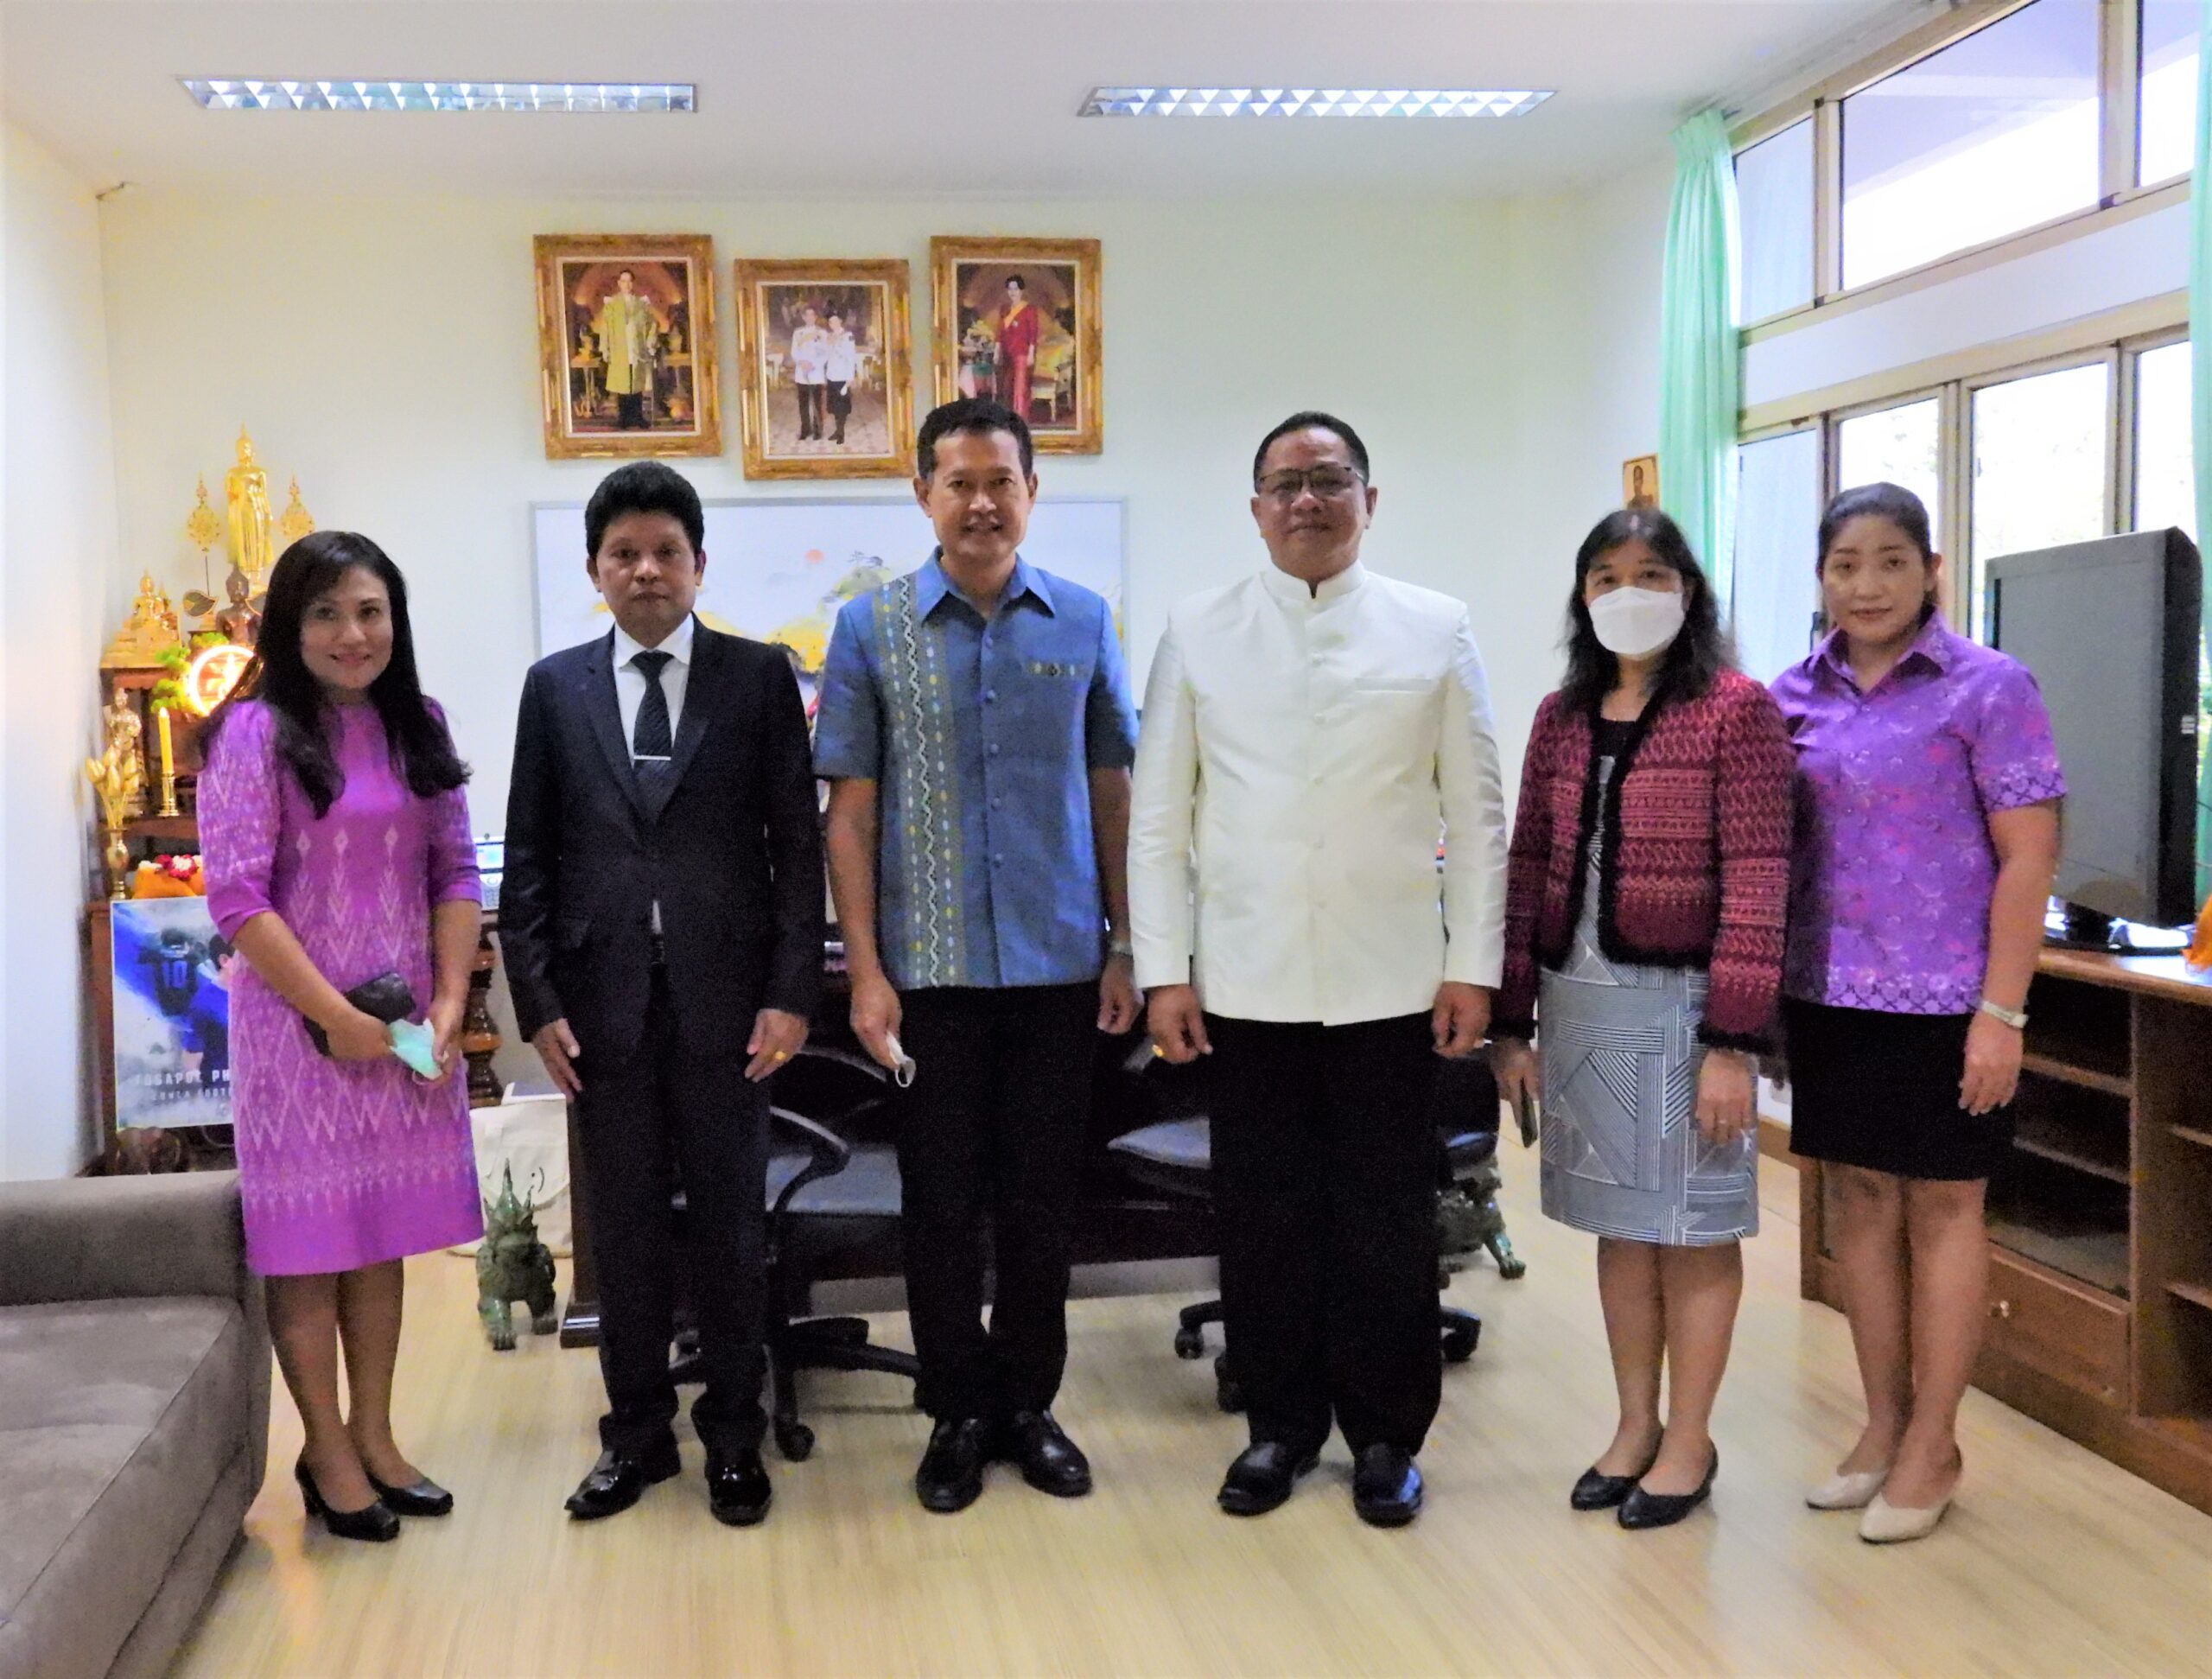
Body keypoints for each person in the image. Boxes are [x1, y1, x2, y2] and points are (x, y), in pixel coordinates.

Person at [1128, 410, 1507, 1528]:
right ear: (1255, 508)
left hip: (1395, 982)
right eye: (1286, 483)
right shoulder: (1197, 628)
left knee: (1386, 1216)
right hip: (1247, 984)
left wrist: (1473, 965)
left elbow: (1477, 816)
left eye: (1331, 479)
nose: (1308, 499)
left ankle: (1387, 1435)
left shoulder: (1435, 627)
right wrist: (1163, 970)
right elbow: (1159, 820)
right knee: (1265, 1215)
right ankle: (1280, 1426)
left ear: (1368, 501)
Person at [814, 397, 1140, 1514]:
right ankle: (956, 1408)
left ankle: (1028, 1404)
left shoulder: (1083, 621)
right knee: (942, 1205)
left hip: (1058, 970)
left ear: (1031, 492)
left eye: (1002, 480)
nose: (981, 502)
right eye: (958, 481)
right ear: (923, 494)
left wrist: (1127, 944)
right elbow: (850, 814)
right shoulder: (871, 629)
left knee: (1044, 1202)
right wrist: (865, 971)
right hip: (929, 979)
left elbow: (1113, 790)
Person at [501, 461, 823, 1528]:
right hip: (601, 1011)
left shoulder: (756, 675)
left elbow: (796, 848)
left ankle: (734, 1435)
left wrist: (791, 992)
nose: (646, 570)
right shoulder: (555, 687)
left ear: (698, 564)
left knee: (731, 1231)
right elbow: (531, 857)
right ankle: (635, 1436)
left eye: (665, 552)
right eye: (624, 554)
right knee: (625, 1238)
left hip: (731, 1007)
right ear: (594, 570)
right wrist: (537, 1000)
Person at [1491, 508, 1794, 1531]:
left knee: (1692, 1227)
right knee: (1622, 1226)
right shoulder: (1561, 715)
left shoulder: (1736, 710)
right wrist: (1511, 1021)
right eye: (1607, 575)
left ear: (1687, 590)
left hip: (1687, 1012)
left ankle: (1689, 1438)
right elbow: (1526, 864)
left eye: (1651, 573)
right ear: (1582, 596)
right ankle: (1633, 1425)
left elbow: (1759, 881)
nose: (1629, 592)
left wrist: (1732, 1042)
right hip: (1579, 1001)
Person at [1770, 482, 2063, 1543]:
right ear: (1822, 576)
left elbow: (2028, 856)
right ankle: (1883, 1422)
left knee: (1944, 1207)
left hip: (1950, 999)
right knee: (1857, 1205)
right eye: (1845, 564)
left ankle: (1935, 1441)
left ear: (1931, 569)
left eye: (1891, 560)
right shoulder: (1789, 693)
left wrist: (2001, 1012)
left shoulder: (1988, 685)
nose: (1867, 584)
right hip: (1827, 991)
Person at [199, 531, 483, 1543]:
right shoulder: (253, 734)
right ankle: (324, 1448)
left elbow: (455, 871)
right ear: (289, 626)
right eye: (325, 613)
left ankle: (376, 1433)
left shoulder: (419, 724)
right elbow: (236, 898)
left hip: (402, 1025)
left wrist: (449, 1002)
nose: (352, 633)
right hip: (296, 1035)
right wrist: (335, 1016)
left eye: (370, 611)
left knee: (379, 1233)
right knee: (309, 1243)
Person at [596, 269, 658, 430]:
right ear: (619, 283)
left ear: (633, 283)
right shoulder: (612, 304)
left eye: (629, 281)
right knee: (622, 384)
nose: (627, 284)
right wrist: (605, 348)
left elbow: (651, 324)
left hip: (637, 348)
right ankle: (623, 418)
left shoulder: (642, 304)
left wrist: (650, 342)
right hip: (619, 349)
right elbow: (605, 327)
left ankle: (638, 417)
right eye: (623, 281)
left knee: (636, 382)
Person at [991, 276, 1040, 422]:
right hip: (1007, 353)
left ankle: (1020, 419)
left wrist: (1031, 354)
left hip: (1022, 354)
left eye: (1016, 289)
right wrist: (997, 351)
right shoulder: (1005, 309)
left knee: (1020, 388)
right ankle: (1009, 418)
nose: (1013, 292)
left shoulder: (1029, 309)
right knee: (1008, 387)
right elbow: (1000, 332)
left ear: (1021, 291)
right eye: (1010, 289)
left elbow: (1033, 333)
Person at [790, 303, 830, 442]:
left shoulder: (822, 333)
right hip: (801, 372)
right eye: (807, 315)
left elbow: (825, 353)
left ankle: (818, 430)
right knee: (803, 404)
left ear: (815, 317)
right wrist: (801, 363)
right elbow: (794, 351)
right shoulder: (798, 333)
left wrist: (814, 365)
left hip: (816, 373)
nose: (810, 317)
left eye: (812, 315)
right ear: (803, 317)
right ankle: (805, 429)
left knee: (817, 403)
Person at [823, 309, 858, 446]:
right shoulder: (829, 336)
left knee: (842, 407)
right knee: (833, 406)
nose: (832, 324)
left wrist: (850, 378)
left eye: (835, 321)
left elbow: (850, 357)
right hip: (832, 375)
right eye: (830, 322)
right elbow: (826, 355)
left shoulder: (848, 336)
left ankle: (841, 433)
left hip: (843, 376)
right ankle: (837, 431)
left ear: (840, 321)